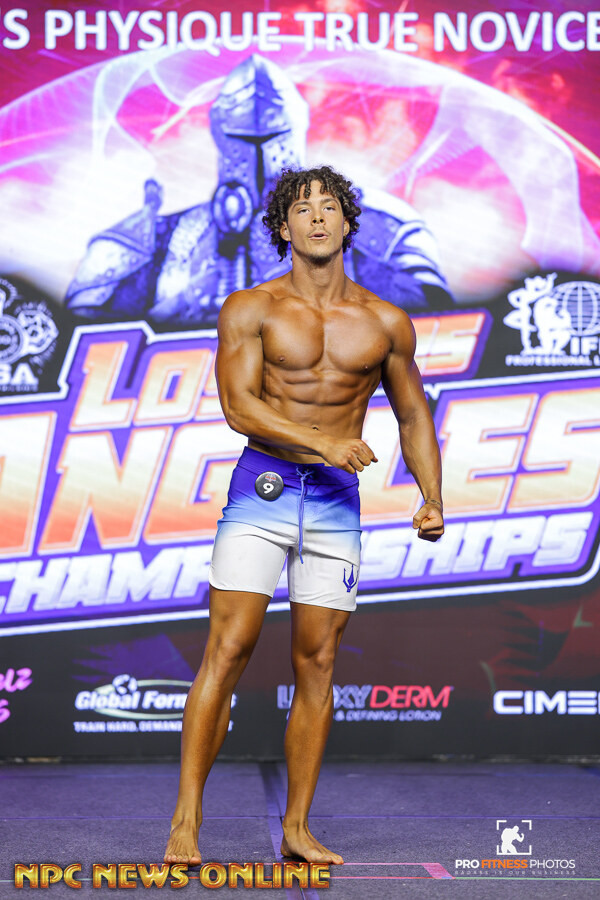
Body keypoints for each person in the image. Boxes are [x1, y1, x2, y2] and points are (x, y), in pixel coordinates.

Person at [163, 164, 444, 867]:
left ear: (348, 223)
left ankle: (296, 828)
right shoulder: (250, 308)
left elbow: (413, 414)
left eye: (328, 206)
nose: (317, 216)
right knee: (227, 650)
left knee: (317, 663)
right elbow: (239, 408)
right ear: (282, 228)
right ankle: (186, 821)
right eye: (301, 208)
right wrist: (323, 442)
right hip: (262, 491)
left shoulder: (385, 322)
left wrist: (432, 496)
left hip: (334, 503)